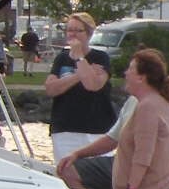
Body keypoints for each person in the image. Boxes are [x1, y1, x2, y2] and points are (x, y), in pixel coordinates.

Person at [61, 49, 169, 189]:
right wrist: (78, 153)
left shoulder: (148, 106)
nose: (125, 73)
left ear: (141, 78)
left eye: (130, 69)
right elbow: (113, 139)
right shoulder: (163, 103)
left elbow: (143, 154)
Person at [43, 12, 115, 161]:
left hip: (96, 130)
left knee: (96, 176)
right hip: (65, 128)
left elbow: (93, 85)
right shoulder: (62, 59)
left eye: (78, 30)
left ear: (88, 33)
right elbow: (51, 88)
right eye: (70, 30)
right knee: (66, 172)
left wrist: (80, 58)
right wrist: (78, 75)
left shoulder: (101, 58)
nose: (73, 34)